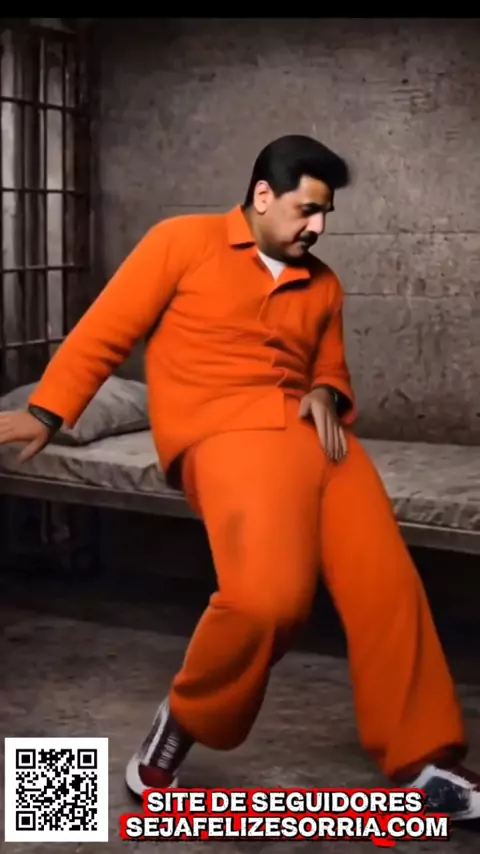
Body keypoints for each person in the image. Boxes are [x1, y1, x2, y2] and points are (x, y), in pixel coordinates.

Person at [0, 135, 478, 820]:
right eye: (307, 209)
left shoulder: (324, 284)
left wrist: (326, 393)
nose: (318, 227)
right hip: (223, 435)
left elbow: (330, 367)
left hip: (319, 444)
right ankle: (183, 718)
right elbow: (107, 329)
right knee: (267, 601)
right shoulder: (181, 242)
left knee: (389, 585)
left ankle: (423, 757)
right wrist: (47, 411)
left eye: (326, 214)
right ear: (262, 196)